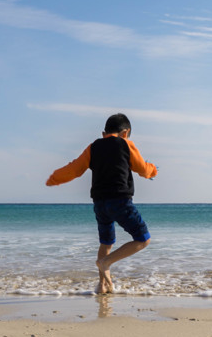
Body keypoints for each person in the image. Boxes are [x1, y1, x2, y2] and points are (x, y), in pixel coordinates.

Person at [46, 113, 158, 294]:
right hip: (120, 201)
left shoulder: (93, 147)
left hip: (99, 204)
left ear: (104, 132)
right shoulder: (126, 144)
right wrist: (154, 170)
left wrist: (54, 178)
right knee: (143, 239)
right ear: (125, 133)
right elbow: (143, 169)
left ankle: (103, 286)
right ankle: (106, 263)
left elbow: (74, 169)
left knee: (106, 243)